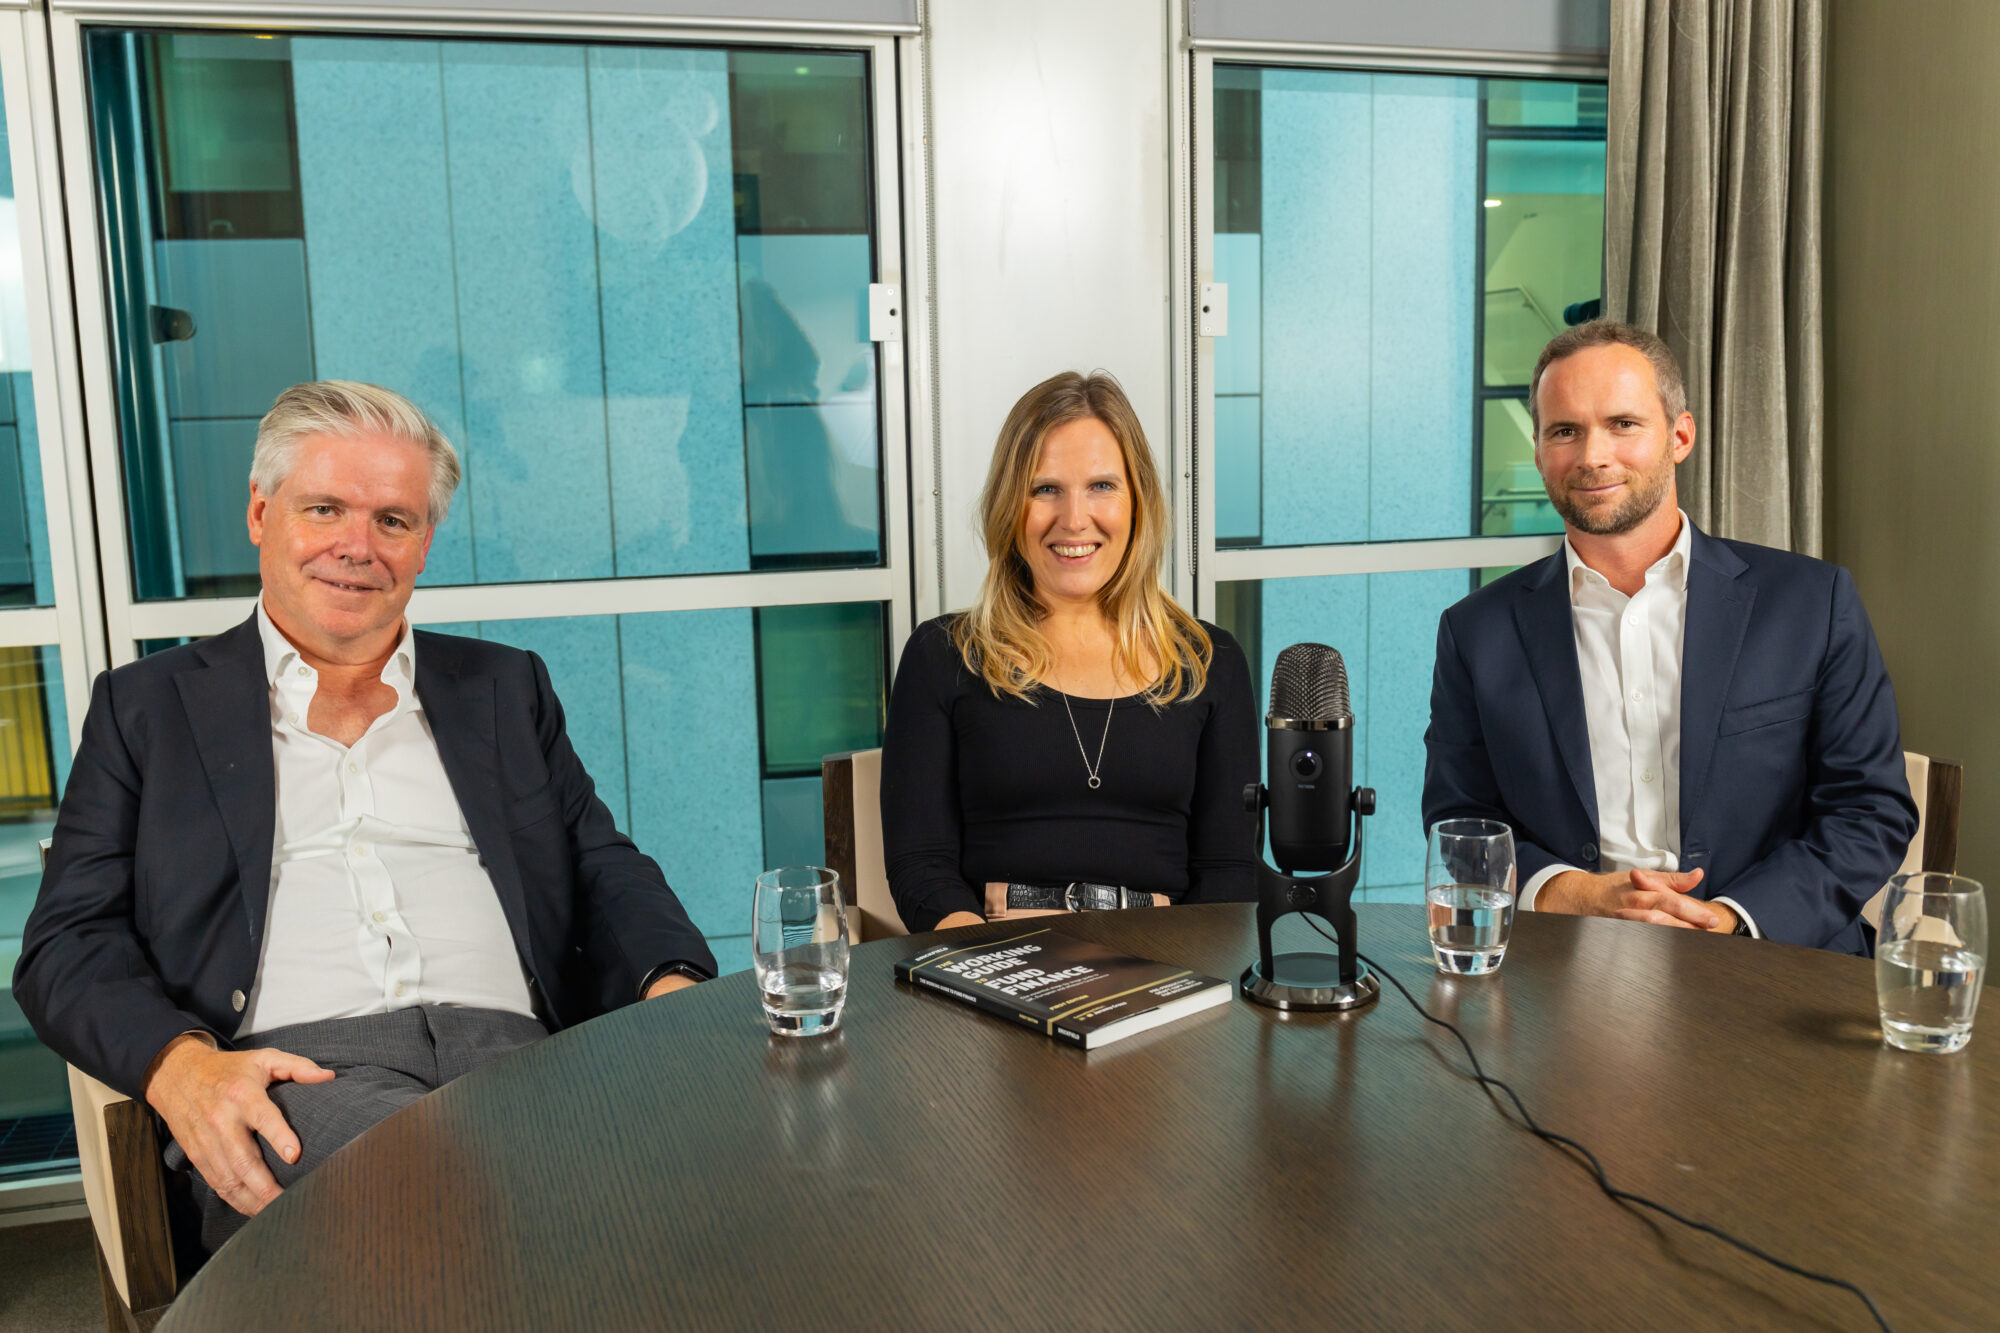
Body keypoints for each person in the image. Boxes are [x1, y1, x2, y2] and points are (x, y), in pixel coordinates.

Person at [11, 381, 715, 1254]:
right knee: (473, 1208)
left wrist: (670, 991)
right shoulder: (147, 708)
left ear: (424, 544)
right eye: (325, 509)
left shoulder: (504, 687)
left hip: (524, 1060)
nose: (358, 546)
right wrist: (179, 1065)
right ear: (261, 513)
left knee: (718, 1169)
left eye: (393, 520)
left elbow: (602, 866)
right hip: (298, 1077)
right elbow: (66, 943)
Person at [1423, 322, 1915, 955]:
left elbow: (1870, 809)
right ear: (1540, 452)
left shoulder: (1812, 602)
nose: (1593, 456)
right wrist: (1576, 894)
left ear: (1680, 436)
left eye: (1623, 424)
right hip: (1564, 969)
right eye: (1565, 431)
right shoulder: (1475, 632)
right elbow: (1459, 824)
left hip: (1773, 960)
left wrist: (1731, 919)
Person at [882, 370, 1258, 931]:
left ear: (1138, 502)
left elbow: (1229, 871)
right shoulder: (942, 655)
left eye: (1102, 486)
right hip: (996, 957)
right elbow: (921, 866)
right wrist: (987, 965)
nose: (1075, 519)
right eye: (1045, 489)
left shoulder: (1210, 662)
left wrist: (1182, 971)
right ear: (1010, 506)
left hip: (1168, 959)